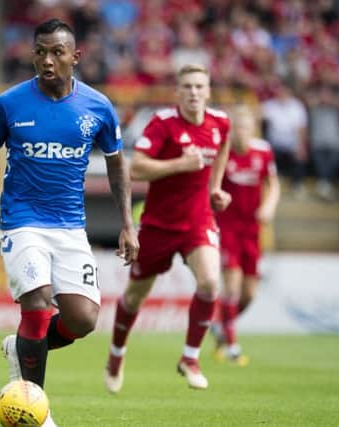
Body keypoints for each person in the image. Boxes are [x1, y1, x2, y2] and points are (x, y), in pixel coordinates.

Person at [0, 19, 138, 425]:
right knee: (37, 301)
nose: (47, 60)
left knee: (83, 320)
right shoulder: (9, 104)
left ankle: (22, 348)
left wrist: (127, 223)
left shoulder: (98, 107)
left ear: (75, 56)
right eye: (39, 52)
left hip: (70, 226)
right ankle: (38, 413)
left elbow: (118, 166)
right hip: (22, 221)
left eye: (56, 52)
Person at [104, 63, 231, 392]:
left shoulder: (220, 123)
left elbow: (221, 151)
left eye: (199, 87)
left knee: (210, 283)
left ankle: (190, 358)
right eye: (187, 87)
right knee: (134, 297)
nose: (193, 93)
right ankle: (117, 353)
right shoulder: (162, 124)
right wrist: (180, 164)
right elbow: (137, 168)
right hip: (158, 224)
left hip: (198, 221)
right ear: (177, 93)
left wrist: (215, 188)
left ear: (208, 92)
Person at [211, 105, 280, 365]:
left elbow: (273, 184)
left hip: (252, 230)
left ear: (253, 128)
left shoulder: (263, 151)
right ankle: (232, 346)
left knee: (249, 294)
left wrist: (269, 206)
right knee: (232, 285)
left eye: (246, 127)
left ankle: (220, 327)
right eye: (237, 127)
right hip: (227, 228)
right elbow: (211, 185)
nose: (242, 132)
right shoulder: (223, 151)